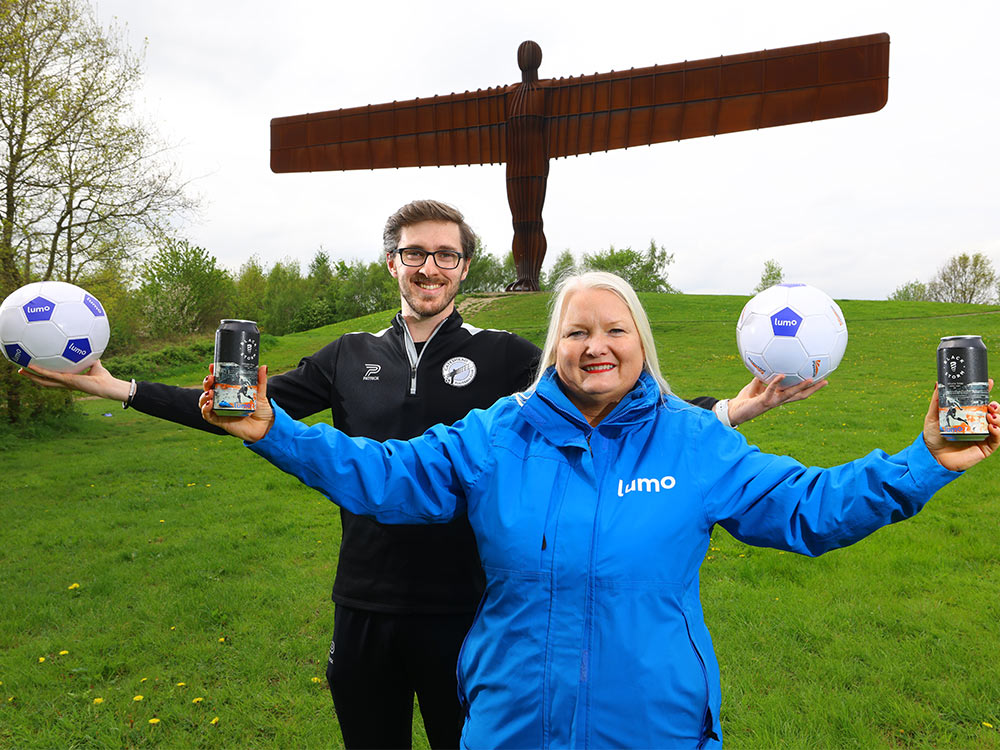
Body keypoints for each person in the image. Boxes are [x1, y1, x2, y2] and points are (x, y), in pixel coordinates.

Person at [20, 202, 822, 749]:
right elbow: (246, 414)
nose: (429, 266)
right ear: (394, 264)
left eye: (445, 253)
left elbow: (608, 398)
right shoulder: (346, 355)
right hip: (365, 599)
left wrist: (725, 415)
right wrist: (117, 388)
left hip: (468, 607)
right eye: (415, 253)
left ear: (464, 267)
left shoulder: (509, 357)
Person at [200, 270, 998, 750]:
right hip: (512, 722)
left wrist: (925, 461)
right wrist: (275, 430)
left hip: (651, 724)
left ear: (642, 343)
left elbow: (808, 510)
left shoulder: (693, 442)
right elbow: (385, 475)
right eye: (577, 331)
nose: (596, 346)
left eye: (615, 330)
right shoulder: (496, 433)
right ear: (555, 346)